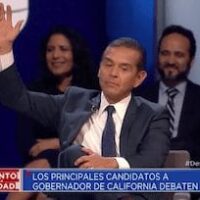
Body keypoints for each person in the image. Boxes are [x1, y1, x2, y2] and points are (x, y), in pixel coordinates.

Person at [0, 4, 170, 200]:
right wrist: (4, 52)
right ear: (99, 69)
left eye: (124, 68)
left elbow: (151, 160)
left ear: (139, 78)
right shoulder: (73, 102)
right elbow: (18, 99)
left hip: (130, 194)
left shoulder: (154, 114)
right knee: (73, 154)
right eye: (108, 64)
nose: (113, 73)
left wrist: (111, 164)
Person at [17, 25, 97, 168]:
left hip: (81, 166)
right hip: (38, 162)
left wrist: (57, 143)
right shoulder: (35, 92)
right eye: (50, 50)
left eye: (63, 49)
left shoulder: (93, 92)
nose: (55, 56)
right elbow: (27, 141)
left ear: (76, 53)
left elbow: (98, 137)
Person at [138, 25, 200, 165]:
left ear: (191, 60)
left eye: (179, 55)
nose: (171, 61)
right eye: (165, 53)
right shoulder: (138, 98)